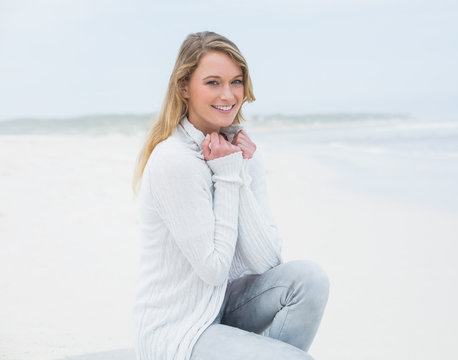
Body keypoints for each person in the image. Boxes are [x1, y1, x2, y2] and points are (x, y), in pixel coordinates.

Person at [132, 31, 330, 360]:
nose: (228, 94)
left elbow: (267, 263)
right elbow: (213, 269)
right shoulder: (175, 161)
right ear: (184, 88)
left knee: (309, 279)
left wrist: (237, 173)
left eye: (236, 81)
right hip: (177, 331)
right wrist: (227, 179)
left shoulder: (240, 152)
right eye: (213, 82)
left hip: (222, 310)